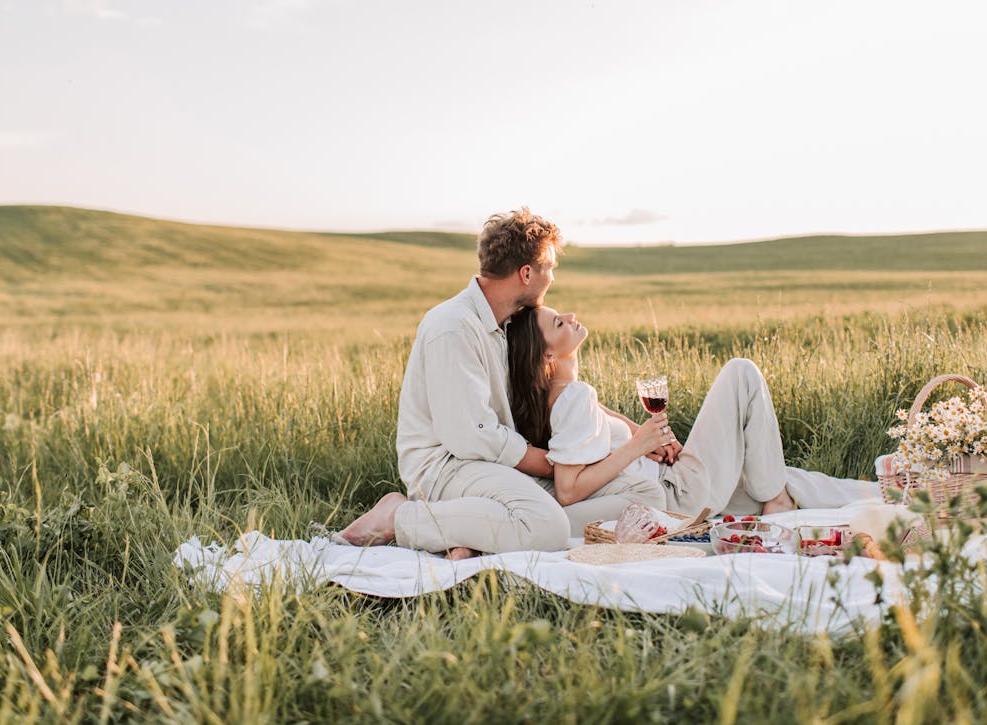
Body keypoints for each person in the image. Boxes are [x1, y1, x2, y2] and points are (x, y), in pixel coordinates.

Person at [336, 208, 661, 557]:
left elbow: (551, 391)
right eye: (548, 268)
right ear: (525, 273)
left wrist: (626, 431)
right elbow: (472, 436)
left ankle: (483, 532)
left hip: (497, 466)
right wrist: (556, 463)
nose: (551, 278)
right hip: (447, 468)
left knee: (645, 494)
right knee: (546, 527)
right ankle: (398, 516)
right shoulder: (454, 327)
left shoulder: (509, 324)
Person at [505, 304, 799, 519]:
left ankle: (777, 496)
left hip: (671, 479)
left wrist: (643, 435)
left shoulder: (565, 394)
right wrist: (638, 445)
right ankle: (779, 502)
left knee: (786, 478)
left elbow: (594, 414)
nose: (570, 317)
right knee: (741, 372)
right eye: (559, 323)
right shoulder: (574, 397)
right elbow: (568, 491)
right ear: (548, 355)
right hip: (677, 494)